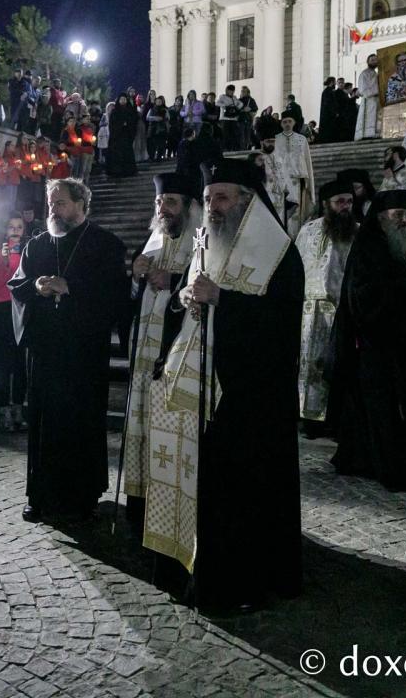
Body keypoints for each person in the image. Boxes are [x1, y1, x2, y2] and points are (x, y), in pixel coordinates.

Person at [156, 157, 303, 611]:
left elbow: (280, 326)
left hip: (252, 397)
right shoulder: (207, 240)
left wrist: (221, 299)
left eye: (220, 197)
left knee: (246, 493)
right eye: (207, 198)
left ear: (247, 201)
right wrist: (186, 297)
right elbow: (194, 291)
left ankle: (246, 582)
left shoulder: (279, 252)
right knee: (216, 492)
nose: (212, 206)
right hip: (210, 392)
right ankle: (209, 569)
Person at [8, 178, 127, 522]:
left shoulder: (105, 245)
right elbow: (17, 285)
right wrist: (36, 285)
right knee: (43, 423)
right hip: (44, 353)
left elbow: (115, 297)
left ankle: (83, 495)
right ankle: (40, 494)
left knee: (81, 422)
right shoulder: (36, 245)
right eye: (50, 203)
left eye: (60, 203)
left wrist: (71, 288)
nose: (53, 210)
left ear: (81, 204)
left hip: (84, 354)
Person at [328, 190, 406, 492]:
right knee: (383, 412)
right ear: (381, 218)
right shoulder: (369, 249)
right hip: (376, 349)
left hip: (400, 346)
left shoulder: (399, 249)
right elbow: (361, 297)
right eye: (398, 215)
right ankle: (388, 466)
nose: (404, 221)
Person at [124, 172, 202, 531]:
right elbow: (134, 300)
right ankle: (142, 504)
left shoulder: (203, 242)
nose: (163, 208)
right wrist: (135, 274)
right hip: (145, 356)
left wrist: (174, 283)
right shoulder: (154, 238)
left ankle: (173, 506)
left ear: (188, 207)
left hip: (177, 356)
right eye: (159, 202)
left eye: (170, 202)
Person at [294, 181, 357, 433]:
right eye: (340, 202)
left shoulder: (357, 232)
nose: (345, 207)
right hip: (307, 310)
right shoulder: (307, 230)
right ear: (325, 204)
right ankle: (306, 418)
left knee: (330, 365)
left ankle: (332, 419)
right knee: (306, 366)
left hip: (338, 309)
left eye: (349, 202)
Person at [0, 214, 28, 432]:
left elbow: (26, 278)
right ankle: (3, 409)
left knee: (20, 362)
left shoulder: (28, 250)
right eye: (11, 226)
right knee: (3, 363)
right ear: (4, 229)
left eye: (19, 227)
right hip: (1, 309)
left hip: (21, 308)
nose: (15, 231)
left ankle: (18, 407)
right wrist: (3, 261)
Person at [265, 111, 315, 236]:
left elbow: (307, 161)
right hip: (280, 184)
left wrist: (308, 182)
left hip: (296, 182)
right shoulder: (275, 139)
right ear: (281, 124)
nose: (287, 124)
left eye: (289, 121)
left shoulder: (302, 139)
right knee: (281, 212)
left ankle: (295, 238)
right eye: (284, 122)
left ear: (294, 123)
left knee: (296, 214)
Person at [107, 94, 139, 178]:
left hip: (127, 136)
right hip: (116, 137)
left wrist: (128, 125)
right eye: (121, 99)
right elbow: (112, 124)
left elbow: (134, 122)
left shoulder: (130, 111)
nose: (123, 101)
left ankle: (128, 171)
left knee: (127, 153)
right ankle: (116, 171)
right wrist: (121, 125)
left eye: (124, 99)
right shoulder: (115, 111)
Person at [355, 54, 380, 140]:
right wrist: (376, 91)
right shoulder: (364, 73)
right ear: (368, 62)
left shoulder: (376, 73)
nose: (374, 62)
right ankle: (366, 135)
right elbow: (362, 89)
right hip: (368, 100)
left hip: (376, 100)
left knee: (376, 117)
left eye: (375, 60)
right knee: (368, 117)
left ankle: (375, 134)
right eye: (372, 60)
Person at [215, 85, 242, 151]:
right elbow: (217, 103)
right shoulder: (222, 97)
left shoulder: (234, 98)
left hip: (233, 119)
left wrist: (236, 108)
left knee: (233, 134)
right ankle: (225, 148)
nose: (231, 92)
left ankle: (232, 148)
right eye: (230, 90)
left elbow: (241, 104)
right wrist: (226, 106)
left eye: (232, 91)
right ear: (227, 90)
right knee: (225, 134)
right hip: (225, 119)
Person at [145, 96, 169, 162]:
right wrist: (155, 118)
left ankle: (159, 157)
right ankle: (151, 157)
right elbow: (147, 117)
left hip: (162, 129)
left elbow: (168, 118)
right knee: (151, 144)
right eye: (157, 101)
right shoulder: (151, 109)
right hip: (153, 129)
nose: (158, 102)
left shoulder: (165, 110)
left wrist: (163, 119)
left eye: (160, 101)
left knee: (161, 144)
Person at [317, 78, 339, 144]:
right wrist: (334, 112)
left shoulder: (327, 91)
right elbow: (329, 104)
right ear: (331, 82)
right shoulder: (328, 91)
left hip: (327, 115)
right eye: (335, 82)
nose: (335, 84)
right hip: (328, 116)